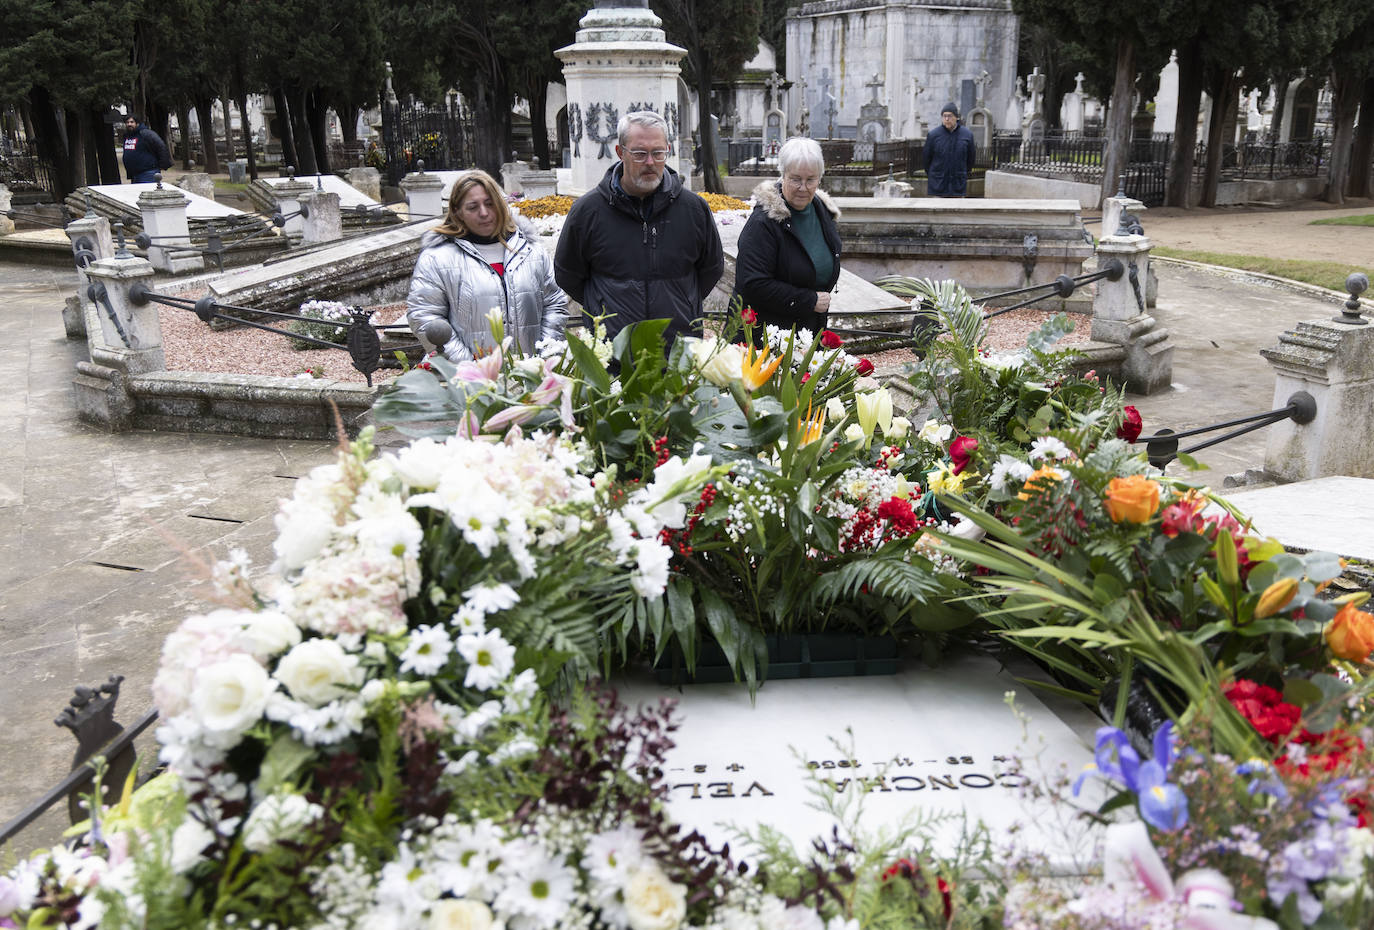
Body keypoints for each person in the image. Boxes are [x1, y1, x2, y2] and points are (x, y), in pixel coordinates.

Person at [554, 110, 723, 345]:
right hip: (613, 354)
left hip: (678, 352)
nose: (650, 163)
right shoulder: (588, 211)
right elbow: (567, 273)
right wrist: (603, 305)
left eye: (658, 153)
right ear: (620, 153)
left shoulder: (693, 210)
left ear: (668, 151)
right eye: (640, 154)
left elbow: (711, 268)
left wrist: (682, 301)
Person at [406, 169, 567, 362]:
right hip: (470, 384)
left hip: (532, 378)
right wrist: (470, 368)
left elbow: (554, 304)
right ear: (458, 211)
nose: (484, 213)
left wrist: (544, 357)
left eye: (490, 204)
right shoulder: (437, 259)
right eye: (473, 207)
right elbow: (424, 316)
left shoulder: (531, 250)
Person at [731, 137, 842, 345]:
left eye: (811, 180)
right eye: (795, 179)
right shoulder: (763, 222)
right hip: (765, 337)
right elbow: (753, 284)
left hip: (807, 331)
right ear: (782, 175)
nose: (803, 187)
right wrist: (810, 301)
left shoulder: (822, 211)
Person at [923, 103, 976, 198]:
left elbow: (970, 159)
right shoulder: (933, 135)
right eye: (944, 116)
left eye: (950, 116)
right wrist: (934, 175)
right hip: (938, 184)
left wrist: (962, 172)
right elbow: (926, 159)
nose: (947, 119)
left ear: (956, 117)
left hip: (957, 184)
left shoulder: (967, 135)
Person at [120, 114, 172, 183]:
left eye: (132, 122)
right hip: (134, 174)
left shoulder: (146, 133)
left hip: (148, 173)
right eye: (127, 122)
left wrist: (163, 164)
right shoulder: (127, 136)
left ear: (137, 123)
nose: (129, 124)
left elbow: (161, 146)